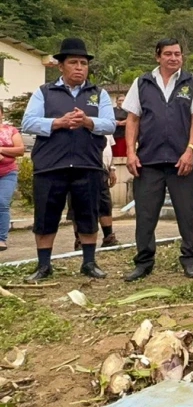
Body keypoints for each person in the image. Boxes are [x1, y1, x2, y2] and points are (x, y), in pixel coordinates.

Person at [20, 37, 116, 281]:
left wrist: (87, 121)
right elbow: (28, 122)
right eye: (73, 62)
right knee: (46, 216)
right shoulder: (44, 92)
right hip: (51, 165)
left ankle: (89, 262)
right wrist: (58, 122)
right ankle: (43, 265)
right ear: (60, 65)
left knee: (88, 214)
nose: (79, 67)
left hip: (88, 164)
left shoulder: (99, 94)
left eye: (83, 63)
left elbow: (110, 124)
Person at [122, 38, 193, 281]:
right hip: (148, 161)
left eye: (178, 54)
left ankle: (191, 260)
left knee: (188, 214)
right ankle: (143, 262)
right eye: (168, 54)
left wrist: (190, 150)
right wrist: (130, 152)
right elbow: (132, 119)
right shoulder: (142, 82)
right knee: (145, 215)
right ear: (157, 56)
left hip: (183, 161)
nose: (174, 58)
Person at [67, 134, 118, 250]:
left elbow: (109, 149)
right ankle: (80, 240)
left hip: (102, 171)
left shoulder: (105, 125)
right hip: (80, 168)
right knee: (78, 204)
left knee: (105, 204)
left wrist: (112, 168)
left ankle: (108, 237)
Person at [0, 103, 24, 251]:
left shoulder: (11, 130)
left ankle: (1, 238)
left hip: (7, 172)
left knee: (2, 203)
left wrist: (2, 150)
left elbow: (20, 150)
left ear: (2, 113)